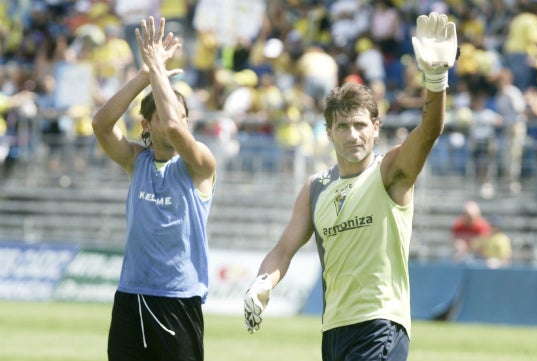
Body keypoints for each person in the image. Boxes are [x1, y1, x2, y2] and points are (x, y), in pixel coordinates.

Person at [243, 12, 458, 361]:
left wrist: (435, 78)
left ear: (376, 126)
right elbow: (283, 250)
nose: (353, 134)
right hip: (334, 331)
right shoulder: (315, 187)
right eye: (342, 126)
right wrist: (262, 283)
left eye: (360, 124)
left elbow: (429, 131)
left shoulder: (390, 171)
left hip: (381, 325)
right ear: (328, 132)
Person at [92, 17, 218, 361]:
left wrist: (158, 68)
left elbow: (176, 129)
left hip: (177, 300)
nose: (178, 120)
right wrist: (145, 74)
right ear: (146, 124)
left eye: (183, 115)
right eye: (164, 113)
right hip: (130, 296)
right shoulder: (137, 160)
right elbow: (101, 124)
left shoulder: (200, 163)